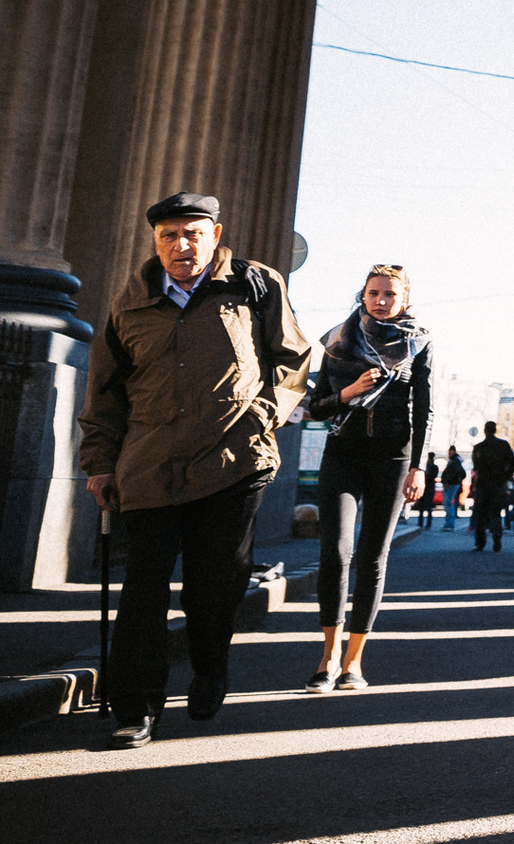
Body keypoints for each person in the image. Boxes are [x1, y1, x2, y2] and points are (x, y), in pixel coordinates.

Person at [78, 192, 313, 747]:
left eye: (193, 234)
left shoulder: (254, 285)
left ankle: (210, 665)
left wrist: (264, 415)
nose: (181, 245)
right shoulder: (130, 301)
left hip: (233, 462)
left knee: (215, 584)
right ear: (155, 242)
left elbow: (294, 359)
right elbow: (105, 392)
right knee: (143, 591)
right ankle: (136, 708)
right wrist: (100, 464)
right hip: (150, 464)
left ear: (215, 235)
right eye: (169, 236)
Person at [303, 264, 432, 693]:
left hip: (392, 458)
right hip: (343, 453)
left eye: (390, 294)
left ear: (404, 300)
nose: (381, 301)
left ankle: (354, 662)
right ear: (363, 295)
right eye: (374, 293)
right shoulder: (338, 340)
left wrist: (418, 466)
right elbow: (315, 407)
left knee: (373, 557)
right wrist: (349, 392)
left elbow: (424, 409)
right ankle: (328, 657)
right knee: (335, 551)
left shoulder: (419, 342)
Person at [469, 421, 514, 553]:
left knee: (480, 515)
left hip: (482, 484)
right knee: (495, 513)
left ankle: (480, 543)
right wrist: (505, 477)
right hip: (498, 484)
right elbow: (513, 464)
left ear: (485, 431)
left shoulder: (478, 447)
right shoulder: (503, 445)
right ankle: (497, 539)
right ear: (495, 430)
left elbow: (476, 468)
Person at [439, 448, 466, 530]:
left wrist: (449, 482)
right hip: (452, 483)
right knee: (448, 503)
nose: (449, 453)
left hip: (451, 484)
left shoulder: (455, 461)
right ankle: (449, 523)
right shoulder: (455, 460)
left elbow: (455, 473)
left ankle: (449, 524)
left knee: (448, 503)